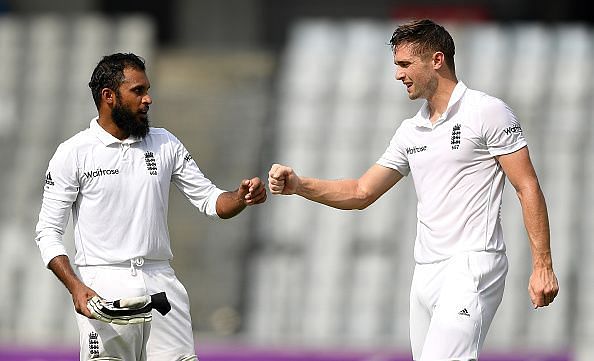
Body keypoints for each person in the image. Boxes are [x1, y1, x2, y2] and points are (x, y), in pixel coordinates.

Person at [268, 19, 559, 361]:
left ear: (437, 60)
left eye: (404, 64)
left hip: (472, 265)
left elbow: (526, 186)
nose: (397, 75)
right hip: (424, 273)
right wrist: (300, 185)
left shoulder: (487, 111)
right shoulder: (411, 131)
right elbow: (361, 192)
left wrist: (543, 265)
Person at [35, 53, 267, 361]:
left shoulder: (165, 143)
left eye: (148, 90)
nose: (148, 99)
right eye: (138, 91)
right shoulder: (73, 153)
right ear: (109, 96)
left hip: (162, 284)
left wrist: (240, 197)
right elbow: (47, 232)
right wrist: (75, 287)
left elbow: (211, 200)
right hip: (105, 286)